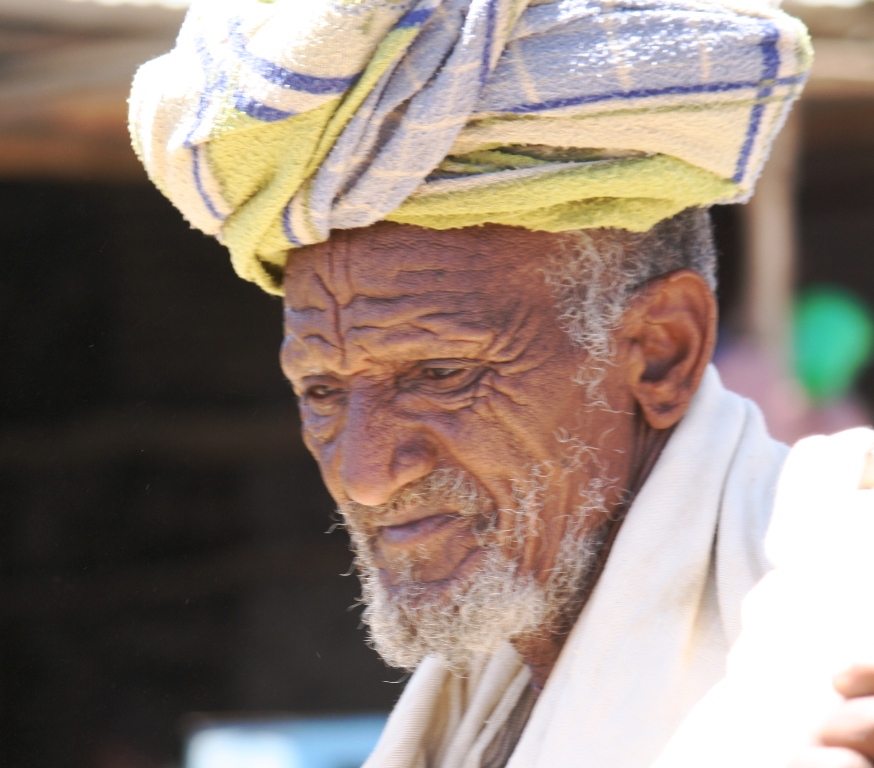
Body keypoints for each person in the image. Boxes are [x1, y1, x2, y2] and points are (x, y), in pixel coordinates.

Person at [128, 1, 874, 766]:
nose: (365, 476)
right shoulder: (488, 704)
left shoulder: (838, 592)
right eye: (321, 392)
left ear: (662, 354)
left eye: (440, 375)